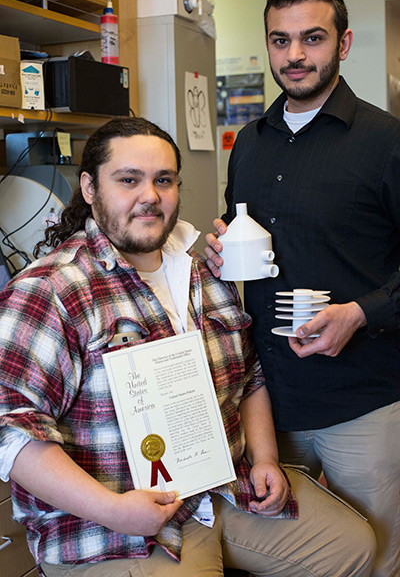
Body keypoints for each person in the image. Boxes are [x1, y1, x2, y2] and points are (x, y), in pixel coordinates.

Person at [0, 117, 376, 577]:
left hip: (223, 491)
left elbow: (251, 377)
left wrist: (266, 460)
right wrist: (115, 510)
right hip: (114, 525)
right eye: (128, 180)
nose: (150, 196)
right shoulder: (51, 290)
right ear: (90, 188)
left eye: (164, 180)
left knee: (353, 548)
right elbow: (12, 431)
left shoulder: (204, 275)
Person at [205, 0, 400, 576]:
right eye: (281, 40)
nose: (295, 55)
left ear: (341, 44)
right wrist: (220, 251)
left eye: (311, 39)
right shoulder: (250, 145)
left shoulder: (386, 141)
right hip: (268, 404)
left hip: (362, 401)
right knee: (302, 560)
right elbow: (243, 242)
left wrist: (360, 313)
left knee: (377, 558)